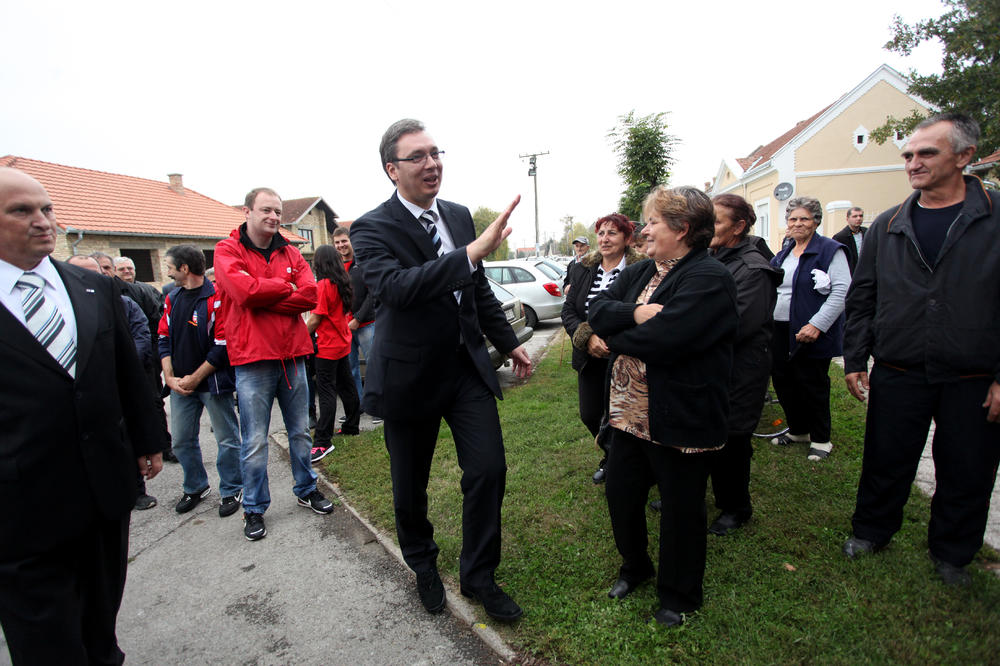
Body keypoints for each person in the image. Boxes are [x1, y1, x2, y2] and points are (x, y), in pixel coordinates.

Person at [350, 118, 532, 621]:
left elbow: (475, 290)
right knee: (411, 486)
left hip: (465, 370)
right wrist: (472, 253)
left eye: (436, 153)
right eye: (418, 157)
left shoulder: (457, 214)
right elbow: (398, 289)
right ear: (392, 169)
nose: (432, 164)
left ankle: (478, 576)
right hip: (409, 376)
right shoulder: (371, 227)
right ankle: (423, 563)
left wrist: (507, 342)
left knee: (488, 469)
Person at [0, 167, 166, 664]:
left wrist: (147, 437)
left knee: (101, 620)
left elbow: (124, 372)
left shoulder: (92, 287)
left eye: (47, 209)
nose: (42, 221)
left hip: (103, 488)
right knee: (47, 639)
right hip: (19, 506)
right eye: (21, 211)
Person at [842, 113, 1000, 586]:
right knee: (886, 457)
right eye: (908, 154)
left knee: (967, 468)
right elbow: (864, 296)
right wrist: (854, 358)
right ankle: (872, 530)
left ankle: (952, 553)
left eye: (927, 153)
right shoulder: (888, 223)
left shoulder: (995, 217)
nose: (913, 162)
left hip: (971, 375)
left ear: (965, 156)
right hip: (898, 367)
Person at [589, 185, 737, 627]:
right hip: (628, 417)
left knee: (681, 509)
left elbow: (667, 339)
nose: (644, 229)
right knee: (621, 496)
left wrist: (614, 339)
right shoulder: (641, 272)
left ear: (683, 228)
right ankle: (635, 567)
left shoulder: (708, 277)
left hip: (679, 416)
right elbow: (597, 308)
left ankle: (679, 594)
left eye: (652, 221)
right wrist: (634, 315)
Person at [214, 187, 335, 542]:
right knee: (254, 441)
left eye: (278, 211)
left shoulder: (290, 251)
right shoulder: (227, 249)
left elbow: (310, 293)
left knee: (299, 432)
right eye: (266, 210)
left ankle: (306, 489)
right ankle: (253, 508)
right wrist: (284, 288)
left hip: (293, 356)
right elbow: (241, 293)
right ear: (247, 211)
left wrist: (263, 294)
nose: (273, 217)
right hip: (252, 360)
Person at [706, 194, 782, 535]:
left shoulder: (753, 268)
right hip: (711, 363)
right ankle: (696, 490)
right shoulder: (713, 255)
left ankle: (735, 507)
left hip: (741, 368)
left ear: (739, 227)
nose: (709, 228)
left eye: (717, 222)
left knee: (732, 438)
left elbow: (736, 324)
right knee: (705, 431)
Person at [68, 254, 161, 511]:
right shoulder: (63, 308)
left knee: (128, 432)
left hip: (123, 380)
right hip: (82, 391)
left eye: (99, 270)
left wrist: (121, 365)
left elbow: (140, 336)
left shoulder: (123, 304)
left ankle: (136, 488)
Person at [158, 244, 244, 517]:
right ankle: (195, 486)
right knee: (182, 440)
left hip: (211, 383)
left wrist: (194, 379)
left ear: (184, 268)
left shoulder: (217, 297)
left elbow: (222, 345)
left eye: (170, 267)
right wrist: (170, 378)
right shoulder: (172, 298)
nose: (168, 272)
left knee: (227, 439)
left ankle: (232, 488)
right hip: (180, 386)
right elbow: (162, 338)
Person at [561, 213, 643, 483]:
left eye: (612, 233)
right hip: (589, 356)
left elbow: (638, 313)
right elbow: (569, 312)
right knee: (590, 414)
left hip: (623, 356)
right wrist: (587, 337)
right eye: (601, 233)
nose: (605, 239)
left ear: (627, 238)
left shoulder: (640, 269)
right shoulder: (583, 268)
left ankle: (618, 465)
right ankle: (613, 455)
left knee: (622, 416)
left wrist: (612, 340)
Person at [768, 196, 849, 461]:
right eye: (792, 219)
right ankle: (798, 430)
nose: (797, 223)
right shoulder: (785, 251)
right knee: (783, 380)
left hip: (810, 329)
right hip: (779, 328)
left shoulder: (830, 249)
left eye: (804, 218)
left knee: (811, 383)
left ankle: (821, 439)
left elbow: (841, 291)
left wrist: (817, 324)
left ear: (816, 221)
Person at [306, 244, 362, 463]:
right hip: (342, 342)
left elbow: (316, 318)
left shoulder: (323, 285)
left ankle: (322, 442)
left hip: (328, 346)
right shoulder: (342, 282)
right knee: (346, 386)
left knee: (327, 391)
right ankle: (351, 425)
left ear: (320, 263)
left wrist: (299, 336)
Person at [333, 226, 377, 412]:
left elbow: (373, 293)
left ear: (351, 241)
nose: (341, 245)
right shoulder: (335, 267)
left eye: (344, 241)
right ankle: (357, 407)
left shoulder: (363, 263)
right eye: (337, 242)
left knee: (374, 365)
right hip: (343, 327)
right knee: (350, 369)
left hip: (366, 324)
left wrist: (358, 318)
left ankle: (376, 406)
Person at [832, 206, 866, 274]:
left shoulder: (867, 232)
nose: (859, 218)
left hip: (865, 272)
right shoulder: (840, 237)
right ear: (847, 219)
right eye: (855, 216)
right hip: (849, 274)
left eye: (860, 216)